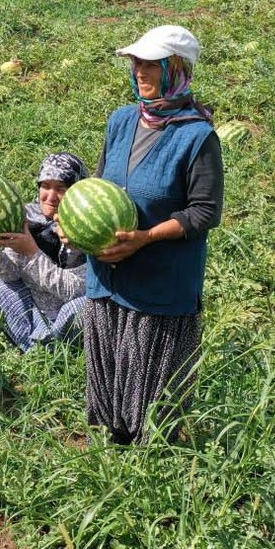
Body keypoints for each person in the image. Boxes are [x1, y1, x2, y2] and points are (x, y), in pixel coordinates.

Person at [73, 25, 223, 446]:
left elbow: (205, 211)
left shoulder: (197, 136)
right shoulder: (121, 121)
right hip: (106, 280)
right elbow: (99, 184)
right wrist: (74, 221)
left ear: (175, 68)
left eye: (150, 63)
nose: (139, 70)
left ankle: (155, 478)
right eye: (136, 62)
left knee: (152, 412)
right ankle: (114, 466)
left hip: (160, 288)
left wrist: (145, 237)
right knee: (110, 401)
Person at [0, 153, 90, 352]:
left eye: (61, 189)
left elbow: (73, 291)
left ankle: (42, 351)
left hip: (67, 318)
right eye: (45, 186)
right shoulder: (26, 219)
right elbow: (11, 275)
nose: (50, 196)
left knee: (85, 308)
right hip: (35, 312)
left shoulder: (88, 228)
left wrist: (31, 251)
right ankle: (40, 350)